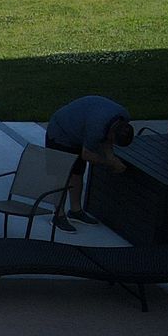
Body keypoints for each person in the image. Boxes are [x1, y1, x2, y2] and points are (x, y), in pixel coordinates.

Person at [43, 94, 135, 232]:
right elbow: (86, 155)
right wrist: (110, 162)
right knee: (61, 176)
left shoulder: (123, 116)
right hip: (60, 131)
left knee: (78, 172)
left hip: (78, 130)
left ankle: (75, 211)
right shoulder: (96, 129)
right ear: (111, 133)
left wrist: (112, 158)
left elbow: (107, 141)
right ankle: (58, 215)